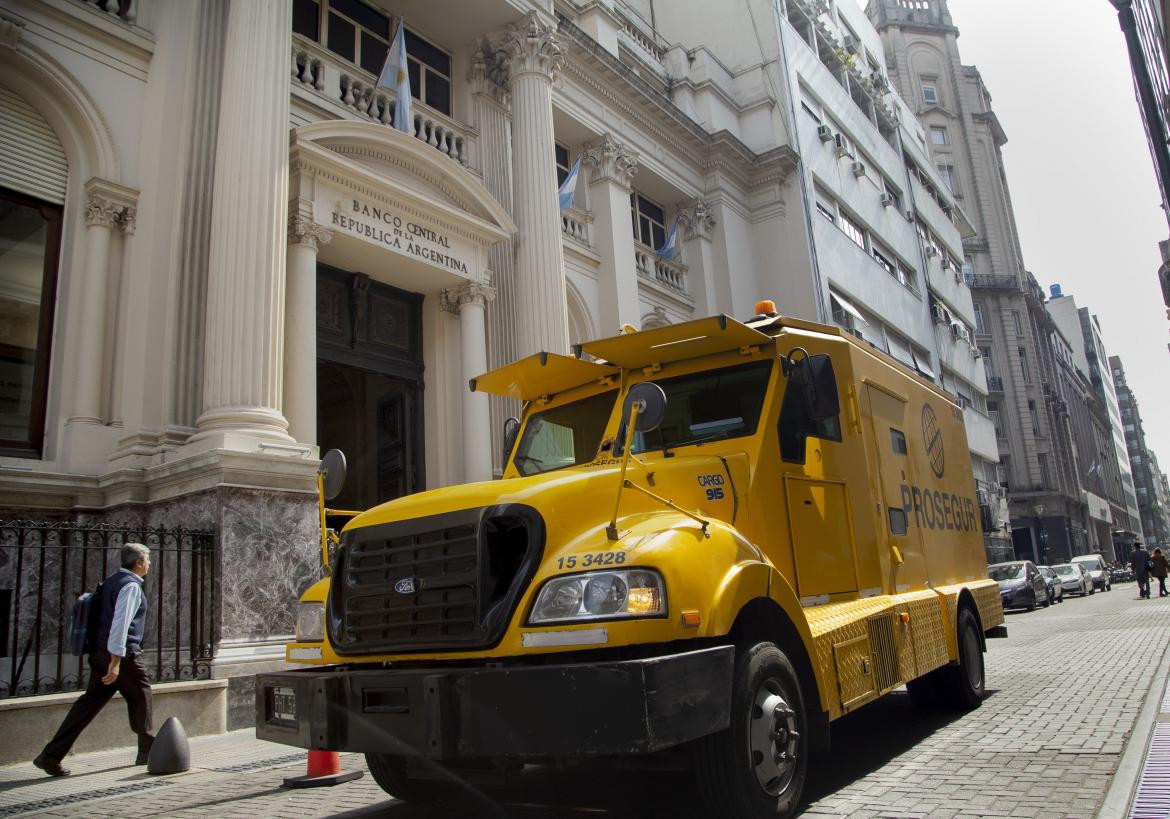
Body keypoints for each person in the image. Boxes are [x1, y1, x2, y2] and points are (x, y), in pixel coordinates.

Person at [33, 543, 154, 776]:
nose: (149, 564)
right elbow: (120, 625)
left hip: (99, 653)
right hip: (121, 655)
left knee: (89, 703)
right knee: (142, 694)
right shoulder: (130, 586)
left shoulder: (110, 581)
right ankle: (148, 749)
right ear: (139, 562)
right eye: (148, 560)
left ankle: (50, 756)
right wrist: (116, 662)